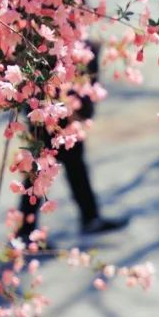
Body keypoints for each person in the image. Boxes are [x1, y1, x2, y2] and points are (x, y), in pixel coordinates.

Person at [17, 42, 129, 244]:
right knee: (42, 168)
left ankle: (88, 217)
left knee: (71, 166)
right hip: (47, 108)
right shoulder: (41, 39)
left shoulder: (81, 42)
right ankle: (26, 230)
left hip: (63, 109)